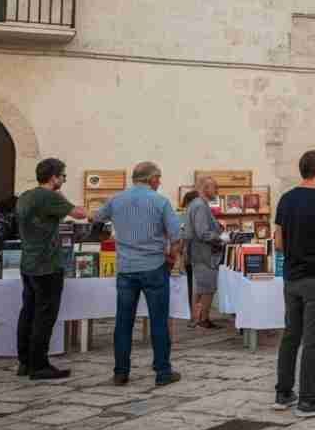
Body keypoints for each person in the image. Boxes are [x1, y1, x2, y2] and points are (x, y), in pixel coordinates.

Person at [95, 161, 182, 387]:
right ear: (151, 178)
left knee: (123, 321)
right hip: (153, 266)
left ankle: (120, 372)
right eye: (159, 178)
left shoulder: (116, 199)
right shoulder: (160, 201)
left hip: (125, 268)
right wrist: (171, 258)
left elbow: (96, 218)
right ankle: (163, 371)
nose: (160, 182)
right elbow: (176, 236)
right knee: (158, 321)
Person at [274, 150, 315, 417]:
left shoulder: (286, 200)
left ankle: (283, 392)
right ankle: (308, 398)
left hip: (292, 277)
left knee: (291, 335)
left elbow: (278, 243)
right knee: (313, 340)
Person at [15, 158, 88, 379]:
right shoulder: (49, 196)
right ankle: (39, 365)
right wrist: (60, 194)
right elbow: (79, 213)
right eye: (63, 176)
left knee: (28, 311)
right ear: (54, 176)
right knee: (44, 316)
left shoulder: (26, 195)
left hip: (28, 262)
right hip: (47, 264)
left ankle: (25, 362)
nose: (64, 180)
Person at [186, 177, 228, 329]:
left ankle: (197, 319)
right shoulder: (200, 205)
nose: (217, 191)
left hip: (199, 253)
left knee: (202, 288)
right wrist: (220, 237)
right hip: (203, 254)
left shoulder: (198, 204)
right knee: (207, 287)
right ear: (205, 188)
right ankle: (202, 319)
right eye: (215, 187)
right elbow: (203, 233)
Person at [178, 189, 198, 303]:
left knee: (191, 282)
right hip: (191, 254)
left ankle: (192, 309)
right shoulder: (188, 216)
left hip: (189, 254)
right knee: (192, 283)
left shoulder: (183, 216)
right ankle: (194, 310)